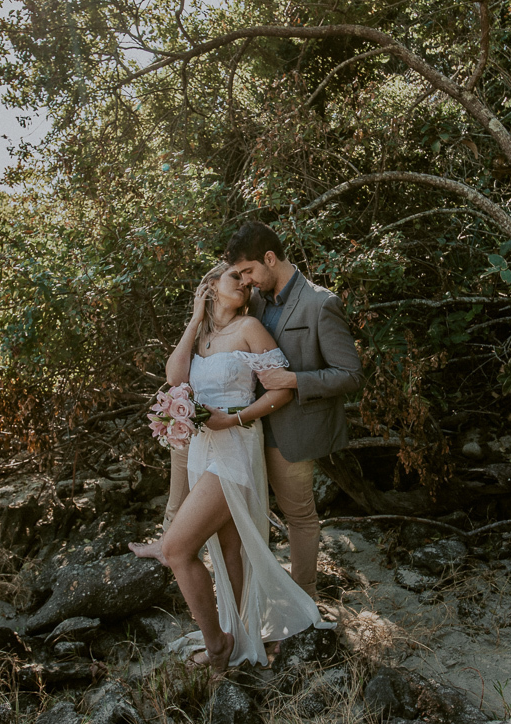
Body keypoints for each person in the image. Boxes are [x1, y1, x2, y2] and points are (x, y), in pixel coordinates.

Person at [129, 263, 325, 670]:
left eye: (245, 277)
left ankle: (216, 643)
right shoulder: (202, 334)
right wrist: (195, 319)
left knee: (176, 549)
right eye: (234, 277)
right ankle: (238, 639)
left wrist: (234, 418)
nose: (245, 283)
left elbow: (280, 390)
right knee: (231, 550)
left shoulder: (250, 327)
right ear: (211, 287)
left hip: (235, 443)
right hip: (203, 447)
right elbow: (174, 377)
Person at [225, 221, 363, 599]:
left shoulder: (321, 303)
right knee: (249, 520)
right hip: (247, 429)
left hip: (294, 433)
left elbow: (350, 374)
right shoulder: (252, 302)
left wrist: (293, 380)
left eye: (250, 271)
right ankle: (258, 598)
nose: (247, 281)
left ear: (270, 258)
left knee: (300, 518)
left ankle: (306, 598)